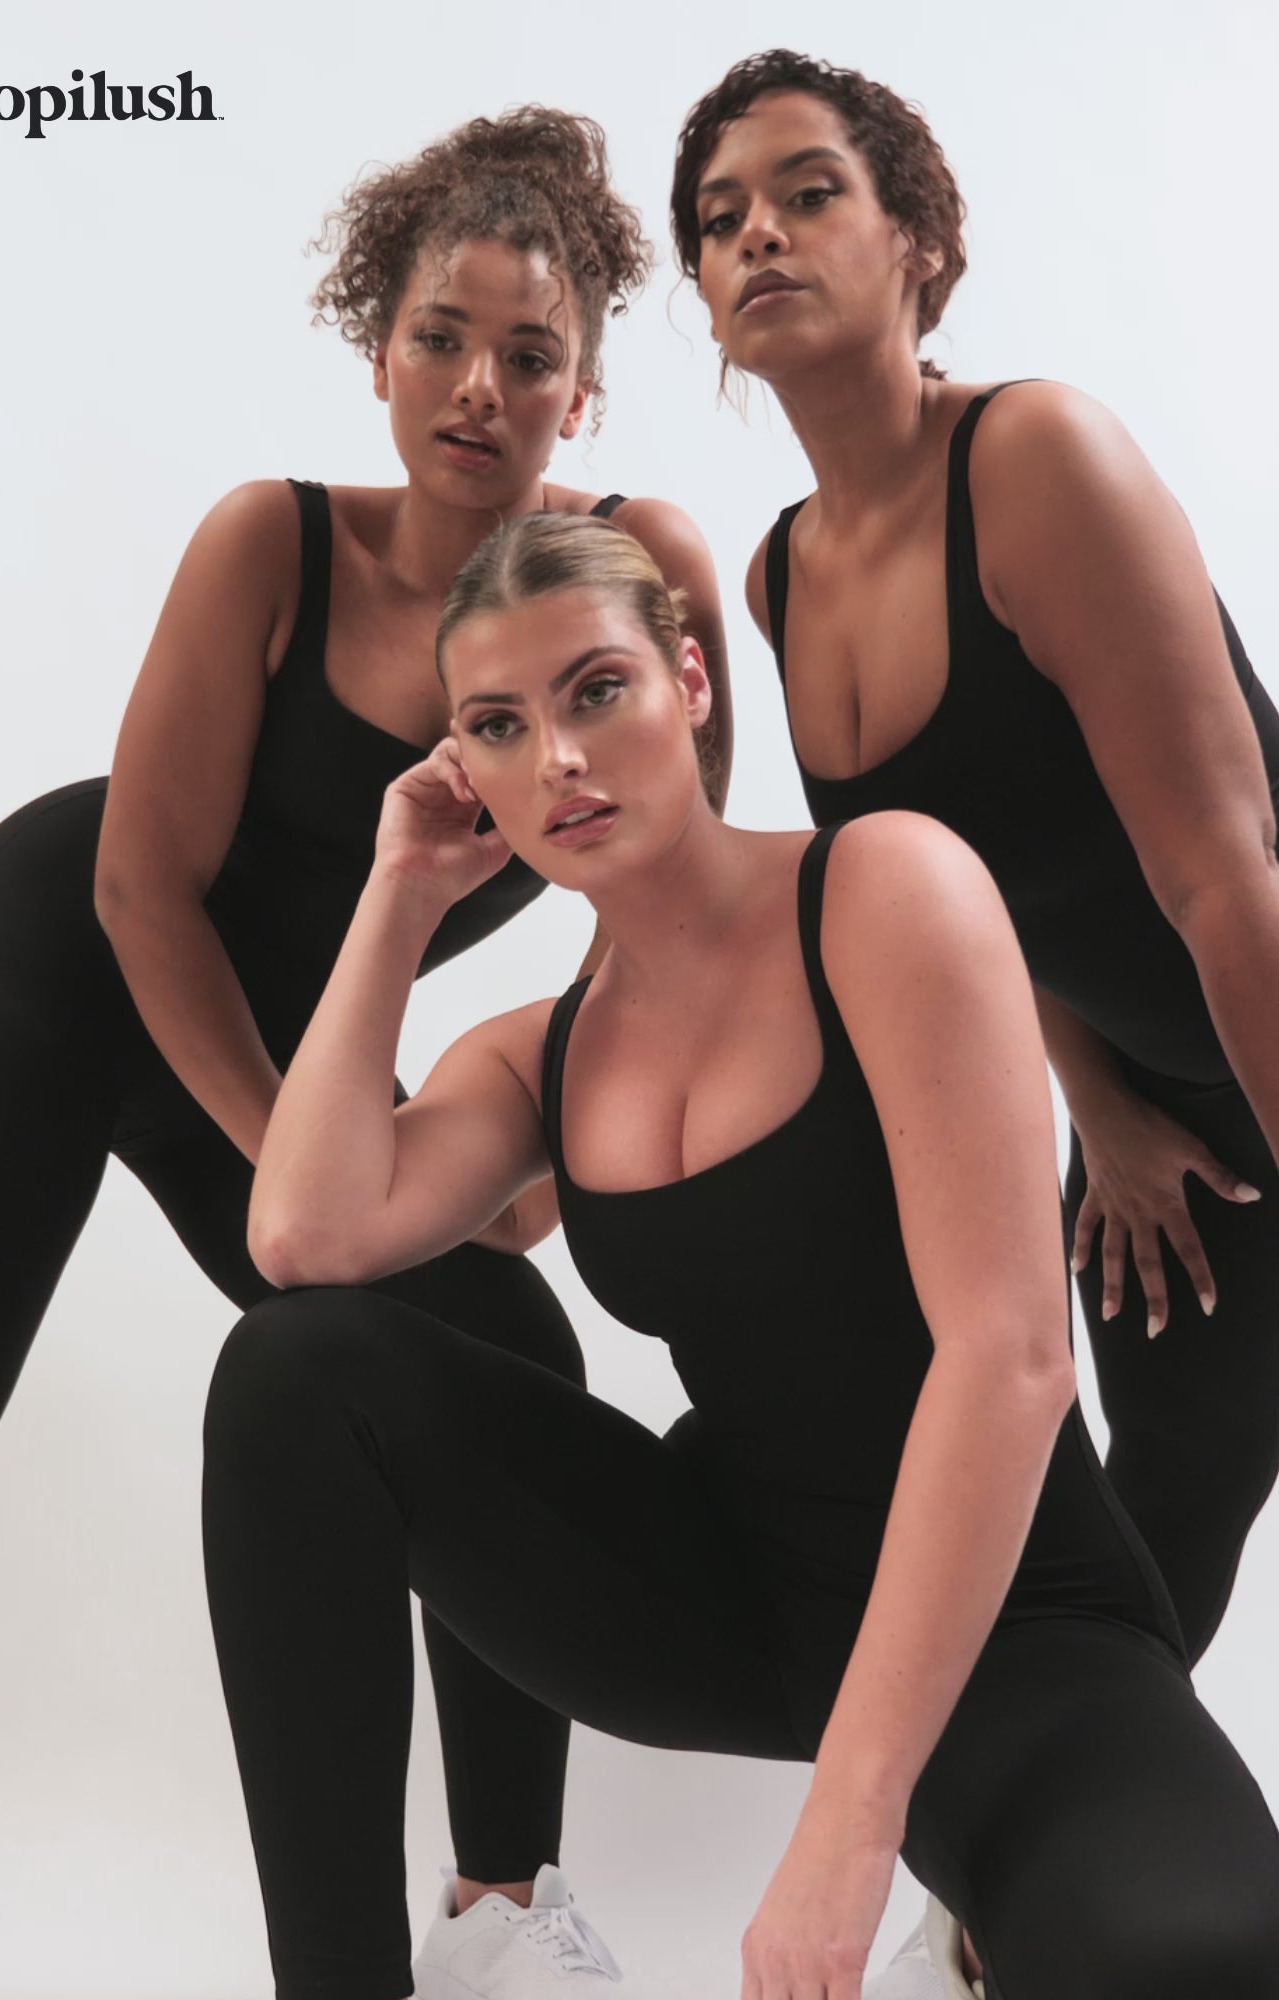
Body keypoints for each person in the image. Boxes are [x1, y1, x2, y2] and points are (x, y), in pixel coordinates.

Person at [0, 108, 730, 1995]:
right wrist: (321, 1179)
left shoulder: (628, 578)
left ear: (587, 389)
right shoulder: (271, 542)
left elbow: (672, 906)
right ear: (378, 349)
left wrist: (535, 1163)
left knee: (507, 1352)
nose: (480, 387)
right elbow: (145, 892)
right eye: (441, 337)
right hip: (50, 969)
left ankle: (503, 1917)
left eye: (529, 352)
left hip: (281, 1047)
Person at [200, 510, 1279, 2000]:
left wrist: (852, 1821)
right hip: (731, 1591)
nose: (558, 760)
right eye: (497, 727)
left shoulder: (885, 891)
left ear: (691, 682)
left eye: (596, 691)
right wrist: (398, 895)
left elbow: (1015, 1358)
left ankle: (970, 1928)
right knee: (297, 1374)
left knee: (1206, 1960)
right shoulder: (537, 1056)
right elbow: (302, 1234)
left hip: (1013, 1618)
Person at [667, 49, 1279, 1991]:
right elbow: (960, 920)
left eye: (808, 190)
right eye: (719, 218)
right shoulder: (781, 576)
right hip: (1164, 1114)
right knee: (1141, 1540)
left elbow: (1228, 876)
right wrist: (1109, 1109)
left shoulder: (1036, 461)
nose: (758, 234)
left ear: (920, 239)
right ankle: (1058, 1896)